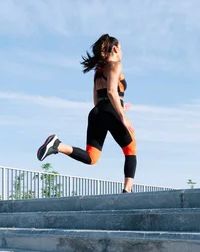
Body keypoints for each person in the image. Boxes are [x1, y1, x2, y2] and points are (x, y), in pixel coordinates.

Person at [36, 34, 137, 193]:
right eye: (121, 48)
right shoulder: (115, 65)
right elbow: (111, 91)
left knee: (92, 158)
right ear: (116, 49)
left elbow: (98, 101)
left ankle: (57, 145)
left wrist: (118, 108)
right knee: (131, 149)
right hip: (110, 111)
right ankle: (127, 190)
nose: (122, 52)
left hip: (97, 113)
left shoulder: (98, 71)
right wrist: (122, 117)